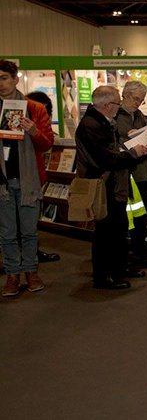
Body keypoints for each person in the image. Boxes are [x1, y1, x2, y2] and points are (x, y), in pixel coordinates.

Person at [75, 86, 147, 290]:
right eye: (118, 102)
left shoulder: (103, 122)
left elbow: (112, 152)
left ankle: (119, 267)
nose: (119, 106)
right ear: (108, 105)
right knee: (106, 232)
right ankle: (104, 276)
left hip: (115, 185)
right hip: (104, 185)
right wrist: (134, 152)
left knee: (118, 228)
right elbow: (106, 158)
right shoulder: (91, 125)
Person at [0, 60, 55, 296]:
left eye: (3, 78)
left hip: (28, 180)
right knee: (7, 233)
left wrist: (33, 131)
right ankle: (12, 275)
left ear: (15, 79)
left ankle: (31, 271)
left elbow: (47, 143)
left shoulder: (35, 108)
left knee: (29, 231)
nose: (0, 84)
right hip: (2, 181)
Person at [116, 80, 147, 268]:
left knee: (141, 214)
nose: (138, 103)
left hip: (140, 172)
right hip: (123, 172)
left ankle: (140, 248)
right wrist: (131, 143)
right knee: (123, 217)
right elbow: (113, 143)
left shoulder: (140, 116)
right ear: (125, 95)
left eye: (141, 100)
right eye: (136, 99)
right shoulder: (114, 115)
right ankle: (125, 253)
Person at [24, 90, 61, 264]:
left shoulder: (35, 112)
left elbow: (46, 143)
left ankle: (30, 259)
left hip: (33, 175)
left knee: (30, 221)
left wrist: (35, 132)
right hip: (17, 176)